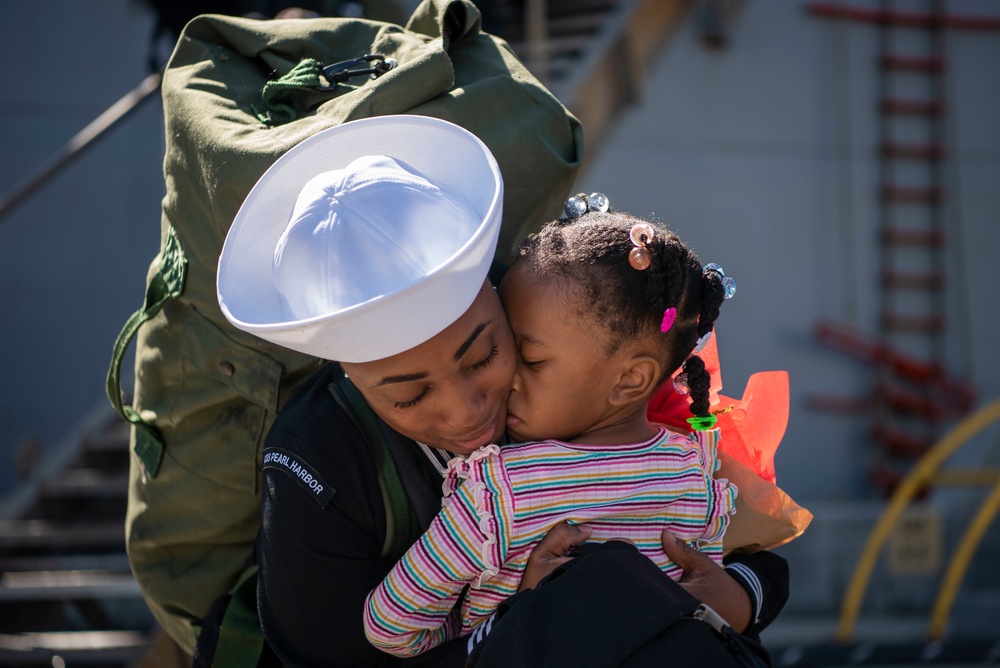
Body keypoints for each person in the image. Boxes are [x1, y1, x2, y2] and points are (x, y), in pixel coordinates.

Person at [217, 114, 787, 667]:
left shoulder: (573, 333)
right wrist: (527, 622)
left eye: (488, 354)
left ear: (498, 292)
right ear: (349, 376)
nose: (468, 410)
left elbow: (749, 556)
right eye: (409, 397)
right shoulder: (314, 458)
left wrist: (737, 595)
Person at [363, 202, 740, 657]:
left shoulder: (501, 495)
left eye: (532, 360)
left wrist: (503, 619)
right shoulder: (696, 477)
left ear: (630, 380)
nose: (509, 379)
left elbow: (389, 626)